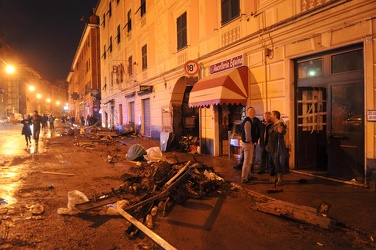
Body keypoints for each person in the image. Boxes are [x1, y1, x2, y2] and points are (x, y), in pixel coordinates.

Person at [266, 110, 287, 185]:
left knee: (278, 163)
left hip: (278, 147)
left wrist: (281, 131)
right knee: (274, 163)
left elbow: (283, 130)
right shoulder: (273, 124)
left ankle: (280, 180)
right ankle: (276, 177)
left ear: (275, 116)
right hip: (272, 147)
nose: (270, 116)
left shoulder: (279, 124)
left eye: (271, 115)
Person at [241, 107, 258, 183]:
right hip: (248, 144)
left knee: (249, 161)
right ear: (249, 113)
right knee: (247, 161)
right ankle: (244, 177)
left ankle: (248, 175)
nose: (254, 113)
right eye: (252, 112)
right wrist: (250, 141)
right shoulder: (247, 121)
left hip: (249, 143)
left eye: (254, 111)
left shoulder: (250, 120)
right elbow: (248, 133)